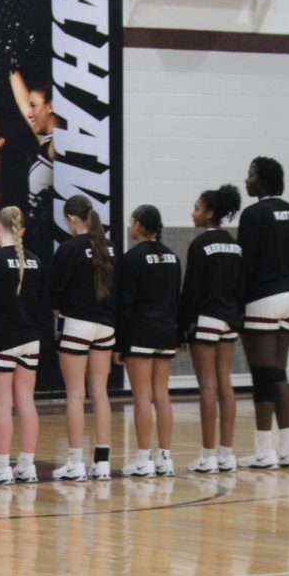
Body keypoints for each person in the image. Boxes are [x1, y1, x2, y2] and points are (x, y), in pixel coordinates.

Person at [0, 206, 46, 484]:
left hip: (0, 340)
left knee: (2, 405)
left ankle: (1, 467)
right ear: (22, 231)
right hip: (31, 341)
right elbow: (42, 306)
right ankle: (27, 465)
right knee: (26, 401)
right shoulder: (37, 261)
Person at [237, 156, 289, 470]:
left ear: (262, 179)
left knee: (262, 375)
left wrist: (237, 306)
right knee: (279, 372)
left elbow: (245, 264)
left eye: (250, 175)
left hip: (263, 297)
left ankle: (264, 450)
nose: (246, 180)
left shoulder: (253, 213)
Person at [50, 194, 117, 481]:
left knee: (76, 394)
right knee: (100, 393)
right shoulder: (110, 247)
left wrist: (57, 309)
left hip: (77, 324)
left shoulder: (69, 249)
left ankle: (75, 462)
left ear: (71, 218)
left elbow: (56, 293)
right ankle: (102, 462)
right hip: (106, 326)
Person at [178, 186, 244, 474]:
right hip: (229, 319)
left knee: (207, 385)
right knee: (225, 383)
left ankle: (207, 456)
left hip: (206, 319)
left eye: (196, 208)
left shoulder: (200, 245)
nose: (192, 213)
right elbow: (241, 285)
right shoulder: (234, 244)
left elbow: (191, 290)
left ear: (209, 213)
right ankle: (227, 453)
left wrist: (181, 328)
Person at [115, 205, 181, 478]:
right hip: (165, 332)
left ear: (140, 225)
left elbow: (125, 304)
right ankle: (164, 458)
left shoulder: (132, 258)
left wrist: (120, 343)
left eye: (132, 221)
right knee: (161, 395)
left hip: (141, 332)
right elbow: (176, 298)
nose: (130, 226)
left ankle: (143, 459)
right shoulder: (173, 258)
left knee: (142, 395)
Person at [8, 71, 57, 242]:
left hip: (48, 236)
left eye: (34, 106)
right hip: (36, 235)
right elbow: (23, 105)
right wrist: (11, 64)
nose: (30, 113)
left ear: (51, 106)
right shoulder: (46, 141)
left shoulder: (59, 143)